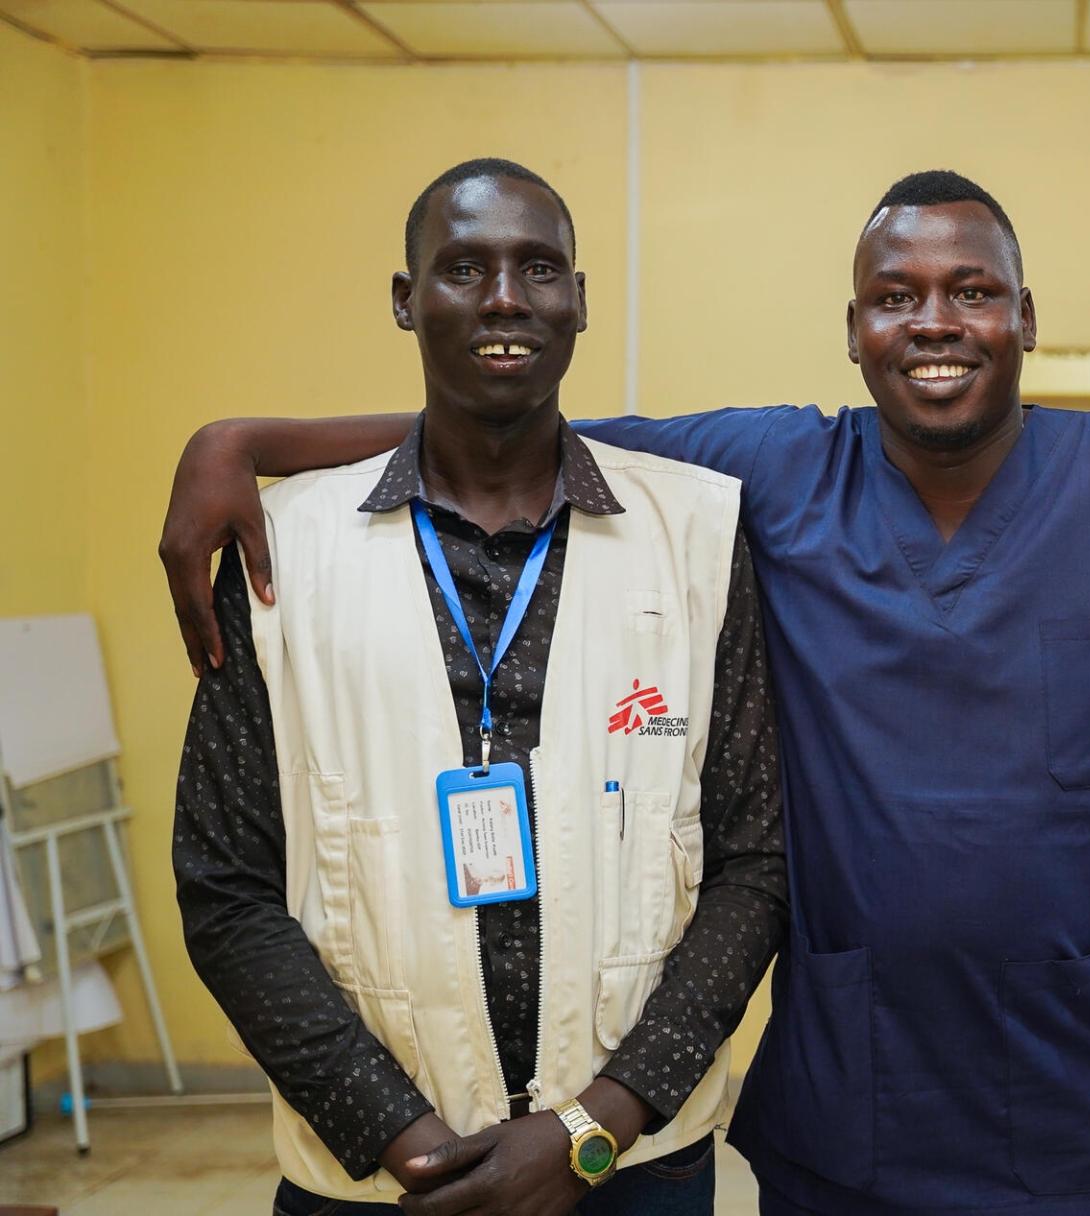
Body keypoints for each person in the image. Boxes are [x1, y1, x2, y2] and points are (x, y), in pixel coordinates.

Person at [160, 172, 1090, 1216]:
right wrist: (256, 438)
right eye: (897, 295)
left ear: (1026, 313)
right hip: (855, 1107)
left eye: (971, 292)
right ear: (853, 328)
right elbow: (519, 418)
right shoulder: (766, 469)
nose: (934, 322)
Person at [172, 158, 786, 1216]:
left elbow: (755, 863)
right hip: (373, 1183)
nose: (505, 298)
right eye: (464, 269)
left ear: (579, 303)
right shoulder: (281, 552)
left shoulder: (695, 534)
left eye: (538, 268)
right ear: (407, 302)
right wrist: (399, 1137)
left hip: (634, 1171)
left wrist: (593, 1127)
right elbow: (225, 885)